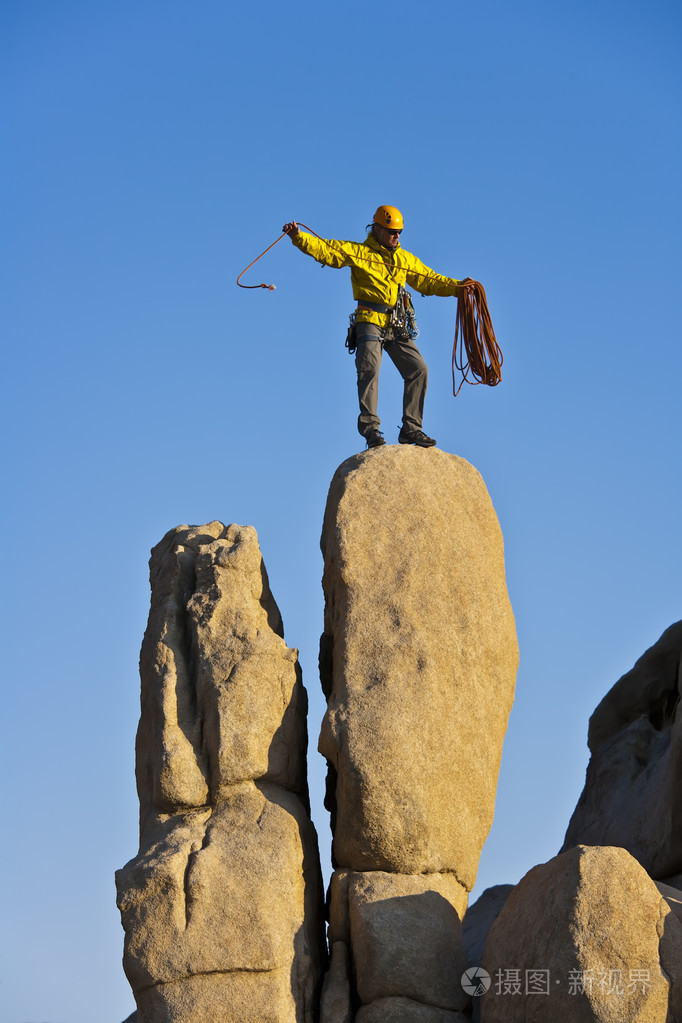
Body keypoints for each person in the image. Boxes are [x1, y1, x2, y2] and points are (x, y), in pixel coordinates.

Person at [282, 205, 463, 448]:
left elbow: (429, 280)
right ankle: (371, 430)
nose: (396, 236)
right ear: (376, 229)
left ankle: (411, 428)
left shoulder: (404, 259)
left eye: (399, 232)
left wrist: (459, 288)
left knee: (419, 369)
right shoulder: (359, 252)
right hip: (369, 320)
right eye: (391, 231)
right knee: (369, 371)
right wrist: (298, 237)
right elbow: (326, 251)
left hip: (396, 323)